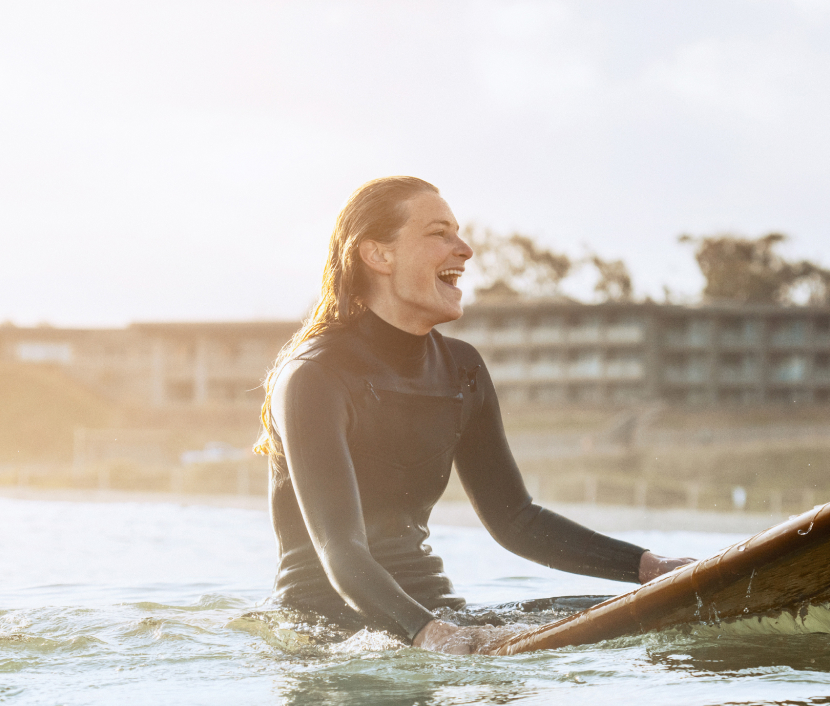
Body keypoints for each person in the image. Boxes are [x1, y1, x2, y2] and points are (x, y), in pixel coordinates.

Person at [258, 176, 693, 654]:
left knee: (641, 616)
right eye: (439, 234)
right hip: (331, 634)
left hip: (435, 614)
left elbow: (517, 520)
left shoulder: (461, 370)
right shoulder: (313, 377)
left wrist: (653, 569)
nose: (464, 250)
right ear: (378, 255)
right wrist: (432, 635)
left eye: (458, 233)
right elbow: (339, 549)